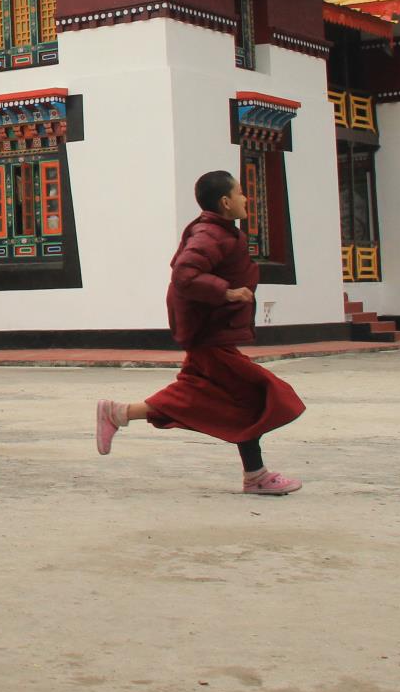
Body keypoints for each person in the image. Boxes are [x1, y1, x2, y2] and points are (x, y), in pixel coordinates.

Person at [94, 169, 306, 494]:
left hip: (213, 332)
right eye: (239, 193)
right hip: (210, 334)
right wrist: (227, 292)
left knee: (212, 398)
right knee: (255, 395)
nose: (245, 198)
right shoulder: (211, 234)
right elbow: (185, 273)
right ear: (225, 201)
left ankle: (119, 412)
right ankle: (256, 476)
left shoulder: (220, 232)